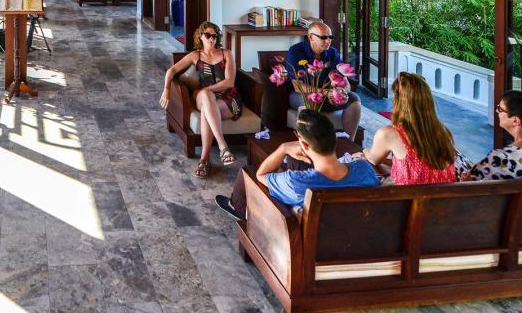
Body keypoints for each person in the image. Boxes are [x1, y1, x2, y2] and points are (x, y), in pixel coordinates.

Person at [215, 109, 378, 220]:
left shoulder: (296, 181)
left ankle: (238, 208)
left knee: (247, 172)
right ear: (335, 138)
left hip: (310, 244)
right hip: (351, 236)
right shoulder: (364, 169)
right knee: (295, 163)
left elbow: (261, 175)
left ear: (304, 145)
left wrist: (283, 148)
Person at [160, 21, 241, 178]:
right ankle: (223, 146)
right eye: (208, 35)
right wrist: (167, 89)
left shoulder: (227, 54)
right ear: (200, 36)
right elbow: (171, 70)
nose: (212, 39)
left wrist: (206, 89)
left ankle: (204, 160)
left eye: (214, 36)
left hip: (228, 98)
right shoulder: (195, 55)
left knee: (206, 110)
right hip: (202, 97)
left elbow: (229, 82)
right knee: (206, 97)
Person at [360, 72, 457, 185]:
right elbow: (423, 164)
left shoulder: (389, 134)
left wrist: (364, 151)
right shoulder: (444, 132)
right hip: (445, 195)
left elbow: (373, 159)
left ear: (398, 101)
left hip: (409, 196)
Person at [284, 21, 362, 138]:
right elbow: (297, 86)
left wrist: (342, 92)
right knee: (310, 101)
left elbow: (346, 83)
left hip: (328, 95)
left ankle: (349, 142)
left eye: (330, 37)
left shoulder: (332, 52)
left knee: (354, 99)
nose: (328, 40)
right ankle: (310, 144)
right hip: (301, 94)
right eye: (324, 37)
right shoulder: (296, 51)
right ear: (310, 37)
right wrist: (326, 92)